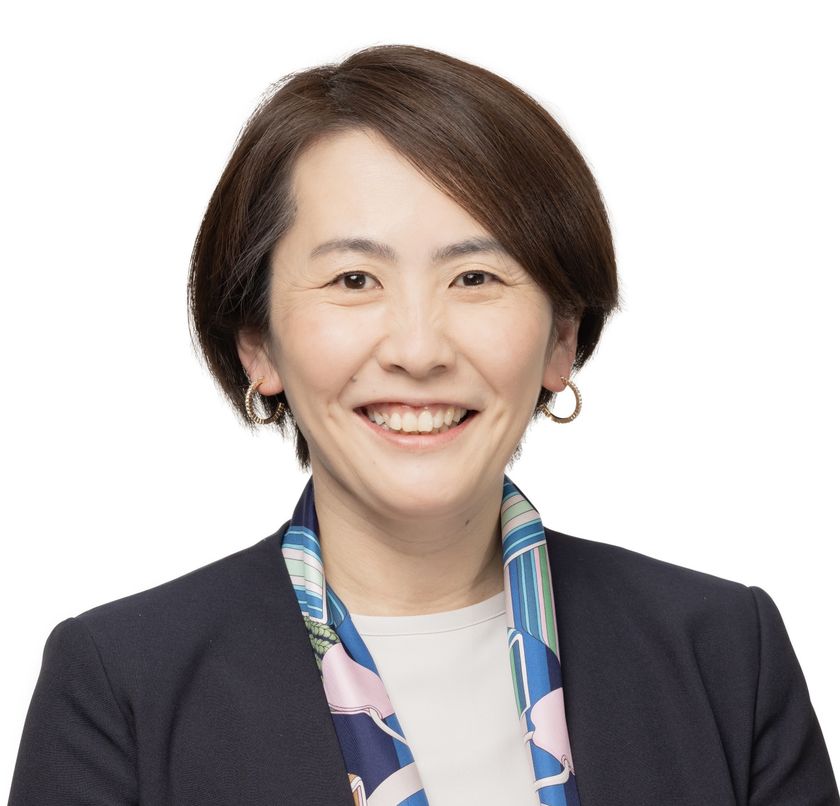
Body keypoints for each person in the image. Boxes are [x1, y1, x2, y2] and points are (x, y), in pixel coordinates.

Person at [8, 43, 838, 806]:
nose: (417, 349)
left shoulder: (725, 655)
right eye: (354, 280)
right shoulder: (123, 686)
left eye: (475, 277)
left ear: (562, 338)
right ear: (257, 344)